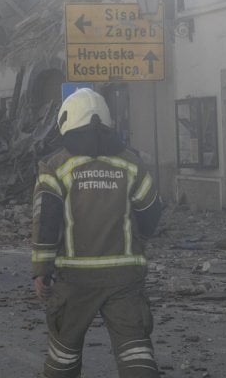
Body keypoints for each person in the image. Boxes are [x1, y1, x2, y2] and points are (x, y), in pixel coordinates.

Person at [31, 88, 162, 378]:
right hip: (125, 277)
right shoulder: (132, 163)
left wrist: (42, 270)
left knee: (63, 353)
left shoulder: (55, 167)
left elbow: (46, 222)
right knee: (135, 350)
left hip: (75, 279)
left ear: (66, 122)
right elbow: (151, 213)